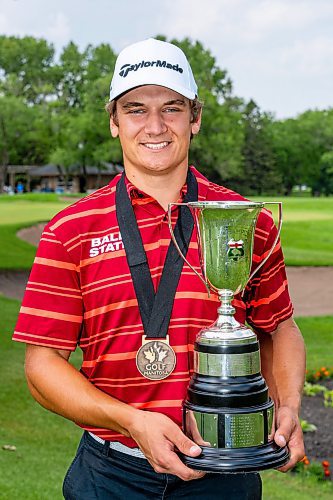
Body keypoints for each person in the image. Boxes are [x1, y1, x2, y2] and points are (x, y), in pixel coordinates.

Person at [13, 38, 305, 499]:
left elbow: (280, 328)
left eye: (171, 108)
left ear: (196, 118)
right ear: (113, 122)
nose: (154, 126)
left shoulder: (244, 220)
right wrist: (131, 421)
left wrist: (287, 404)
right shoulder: (70, 229)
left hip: (225, 477)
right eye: (135, 109)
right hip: (109, 476)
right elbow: (42, 366)